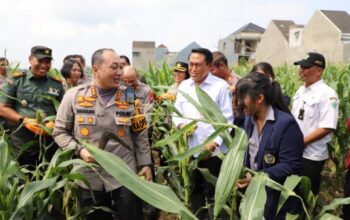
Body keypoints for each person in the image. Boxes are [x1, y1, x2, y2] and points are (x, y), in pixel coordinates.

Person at [53, 48, 152, 220]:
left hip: (124, 172)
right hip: (89, 174)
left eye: (121, 67)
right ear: (96, 70)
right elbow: (60, 131)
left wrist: (145, 164)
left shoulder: (129, 95)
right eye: (114, 67)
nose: (119, 72)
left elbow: (139, 133)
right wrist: (80, 150)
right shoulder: (74, 96)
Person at [173, 48, 233, 218]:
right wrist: (181, 126)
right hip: (191, 152)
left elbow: (227, 121)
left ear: (208, 65)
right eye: (191, 64)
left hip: (214, 154)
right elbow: (176, 114)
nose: (193, 68)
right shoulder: (184, 86)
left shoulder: (220, 87)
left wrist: (215, 143)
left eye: (198, 65)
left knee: (215, 196)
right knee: (195, 193)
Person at [236, 72, 304, 219]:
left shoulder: (286, 125)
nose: (238, 103)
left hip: (277, 199)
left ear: (260, 98)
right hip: (253, 194)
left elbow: (290, 164)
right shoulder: (249, 120)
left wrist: (257, 177)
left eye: (242, 97)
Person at [0, 46, 64, 167]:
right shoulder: (16, 80)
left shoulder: (56, 84)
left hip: (50, 137)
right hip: (23, 139)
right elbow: (2, 108)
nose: (44, 65)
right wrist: (24, 120)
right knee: (25, 171)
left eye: (48, 62)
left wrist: (54, 122)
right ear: (30, 59)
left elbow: (65, 110)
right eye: (40, 61)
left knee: (50, 170)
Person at [292, 52, 339, 195]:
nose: (301, 70)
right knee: (292, 194)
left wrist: (303, 142)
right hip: (295, 151)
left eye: (305, 67)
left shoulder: (328, 94)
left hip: (311, 156)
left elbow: (327, 127)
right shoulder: (301, 90)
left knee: (306, 195)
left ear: (319, 70)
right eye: (300, 67)